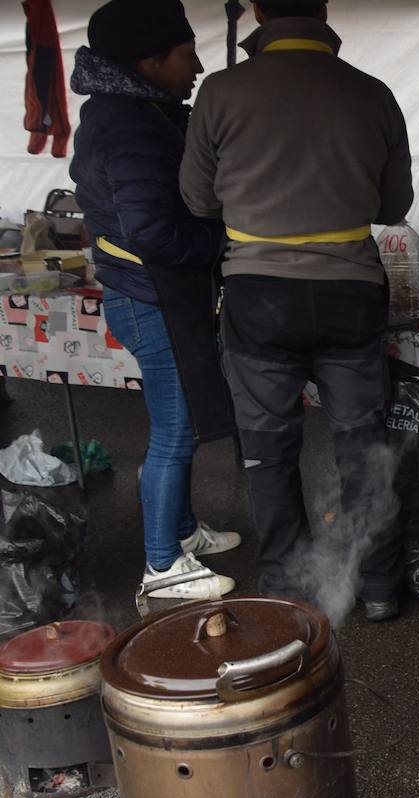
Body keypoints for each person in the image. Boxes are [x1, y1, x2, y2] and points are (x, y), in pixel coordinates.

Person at [180, 0, 413, 621]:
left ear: (257, 9)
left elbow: (197, 200)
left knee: (268, 449)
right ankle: (382, 586)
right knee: (362, 444)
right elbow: (395, 204)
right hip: (350, 290)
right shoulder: (372, 93)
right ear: (324, 9)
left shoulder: (221, 92)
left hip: (259, 294)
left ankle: (287, 589)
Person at [69, 0, 239, 600]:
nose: (196, 64)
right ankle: (163, 566)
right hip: (152, 298)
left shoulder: (138, 110)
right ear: (150, 59)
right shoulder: (129, 125)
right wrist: (224, 241)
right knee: (175, 430)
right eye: (186, 52)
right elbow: (152, 231)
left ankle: (184, 531)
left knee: (182, 421)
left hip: (149, 293)